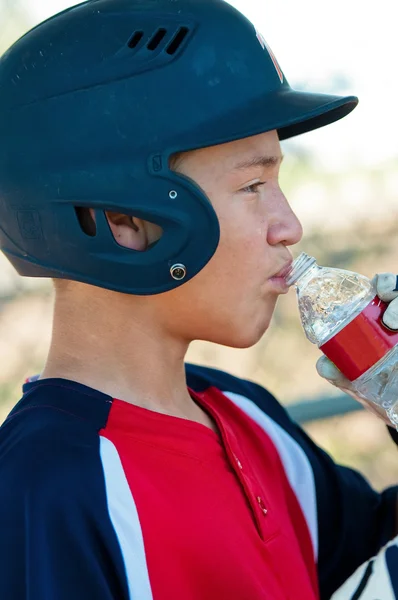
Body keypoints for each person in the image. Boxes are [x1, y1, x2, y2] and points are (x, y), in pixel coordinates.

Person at [0, 1, 397, 599]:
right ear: (124, 220)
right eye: (253, 185)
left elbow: (368, 558)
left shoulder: (246, 414)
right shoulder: (49, 487)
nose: (289, 225)